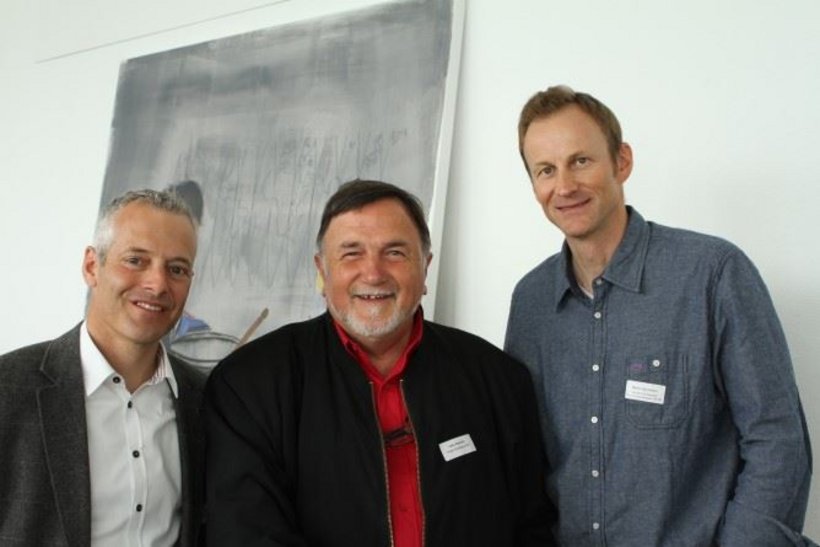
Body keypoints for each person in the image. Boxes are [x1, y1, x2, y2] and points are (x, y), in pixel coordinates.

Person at [505, 85, 815, 546]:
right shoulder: (531, 303)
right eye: (546, 170)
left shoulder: (713, 273)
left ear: (622, 161)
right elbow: (528, 459)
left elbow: (778, 439)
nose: (564, 186)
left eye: (581, 161)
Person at [204, 179, 556, 546]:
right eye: (351, 253)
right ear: (322, 271)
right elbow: (245, 533)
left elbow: (532, 528)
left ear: (425, 268)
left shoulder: (497, 379)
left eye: (395, 252)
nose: (373, 273)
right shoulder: (249, 385)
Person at [0, 189, 206, 546]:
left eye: (176, 269)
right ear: (92, 266)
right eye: (136, 260)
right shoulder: (8, 388)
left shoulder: (205, 400)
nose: (157, 284)